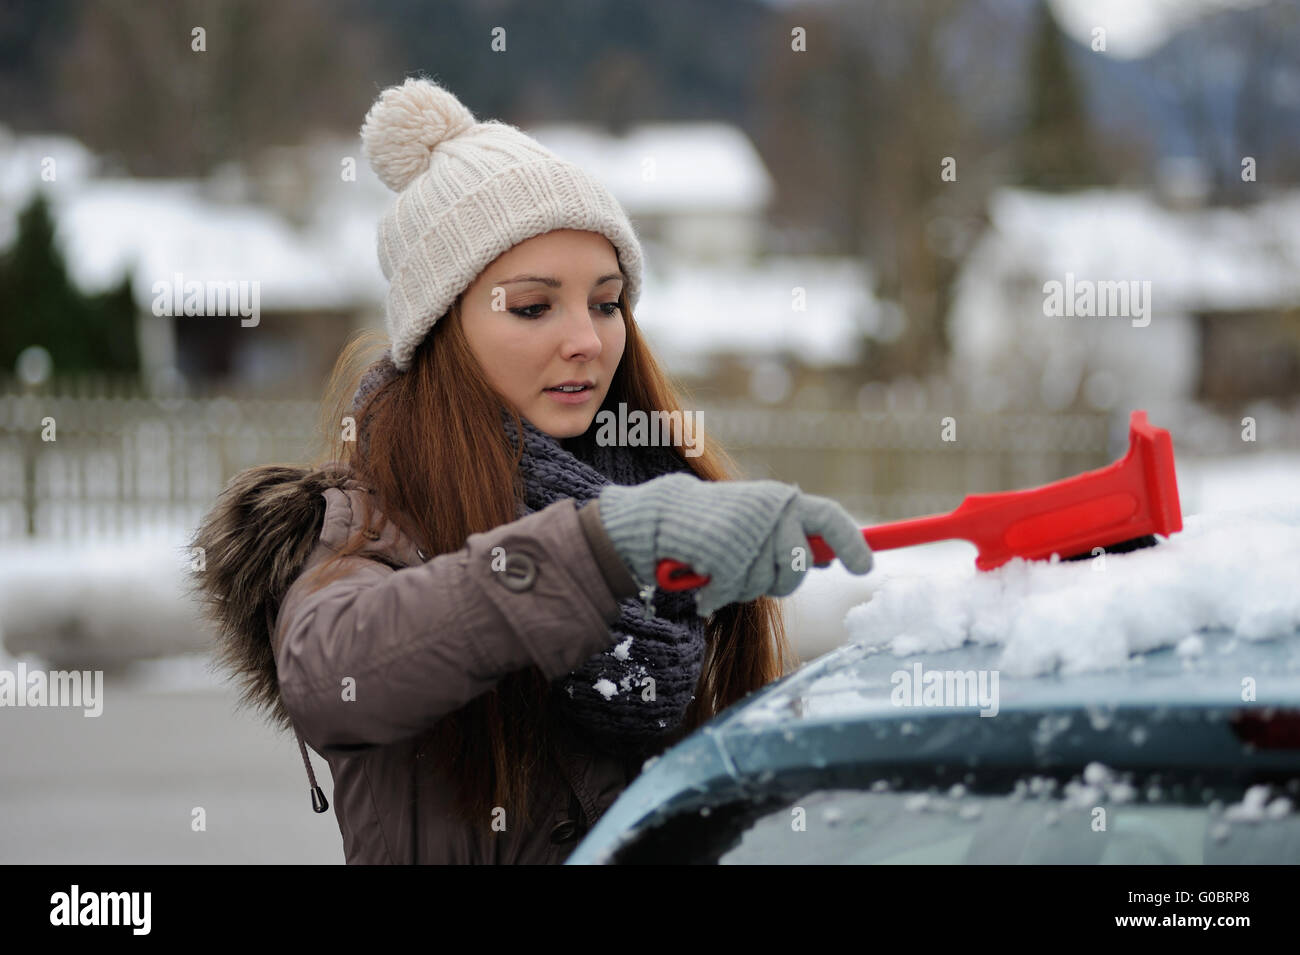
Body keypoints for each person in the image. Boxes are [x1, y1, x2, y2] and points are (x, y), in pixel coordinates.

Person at [189, 75, 873, 864]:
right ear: (442, 329)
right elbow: (331, 674)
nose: (587, 338)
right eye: (533, 306)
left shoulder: (652, 490)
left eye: (607, 302)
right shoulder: (366, 521)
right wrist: (600, 549)